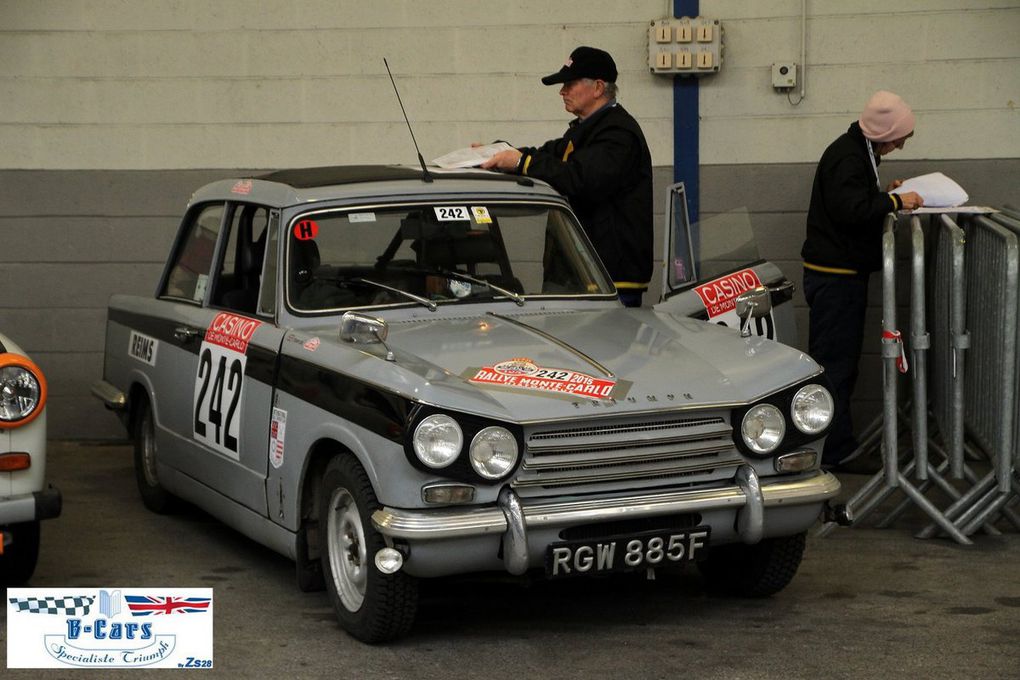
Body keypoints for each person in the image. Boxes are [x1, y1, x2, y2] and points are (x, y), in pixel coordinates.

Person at [800, 90, 924, 471]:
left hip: (839, 276)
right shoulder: (848, 157)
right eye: (901, 136)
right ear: (885, 132)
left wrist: (884, 194)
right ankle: (835, 452)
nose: (902, 143)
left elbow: (852, 200)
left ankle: (836, 447)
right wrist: (894, 203)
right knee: (836, 366)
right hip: (835, 279)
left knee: (840, 365)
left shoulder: (858, 152)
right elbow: (850, 210)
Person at [481, 46, 653, 307]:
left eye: (569, 84)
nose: (562, 91)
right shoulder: (586, 131)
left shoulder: (618, 134)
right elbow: (548, 155)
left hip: (608, 280)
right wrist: (500, 152)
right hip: (580, 274)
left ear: (598, 87)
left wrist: (519, 161)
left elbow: (580, 178)